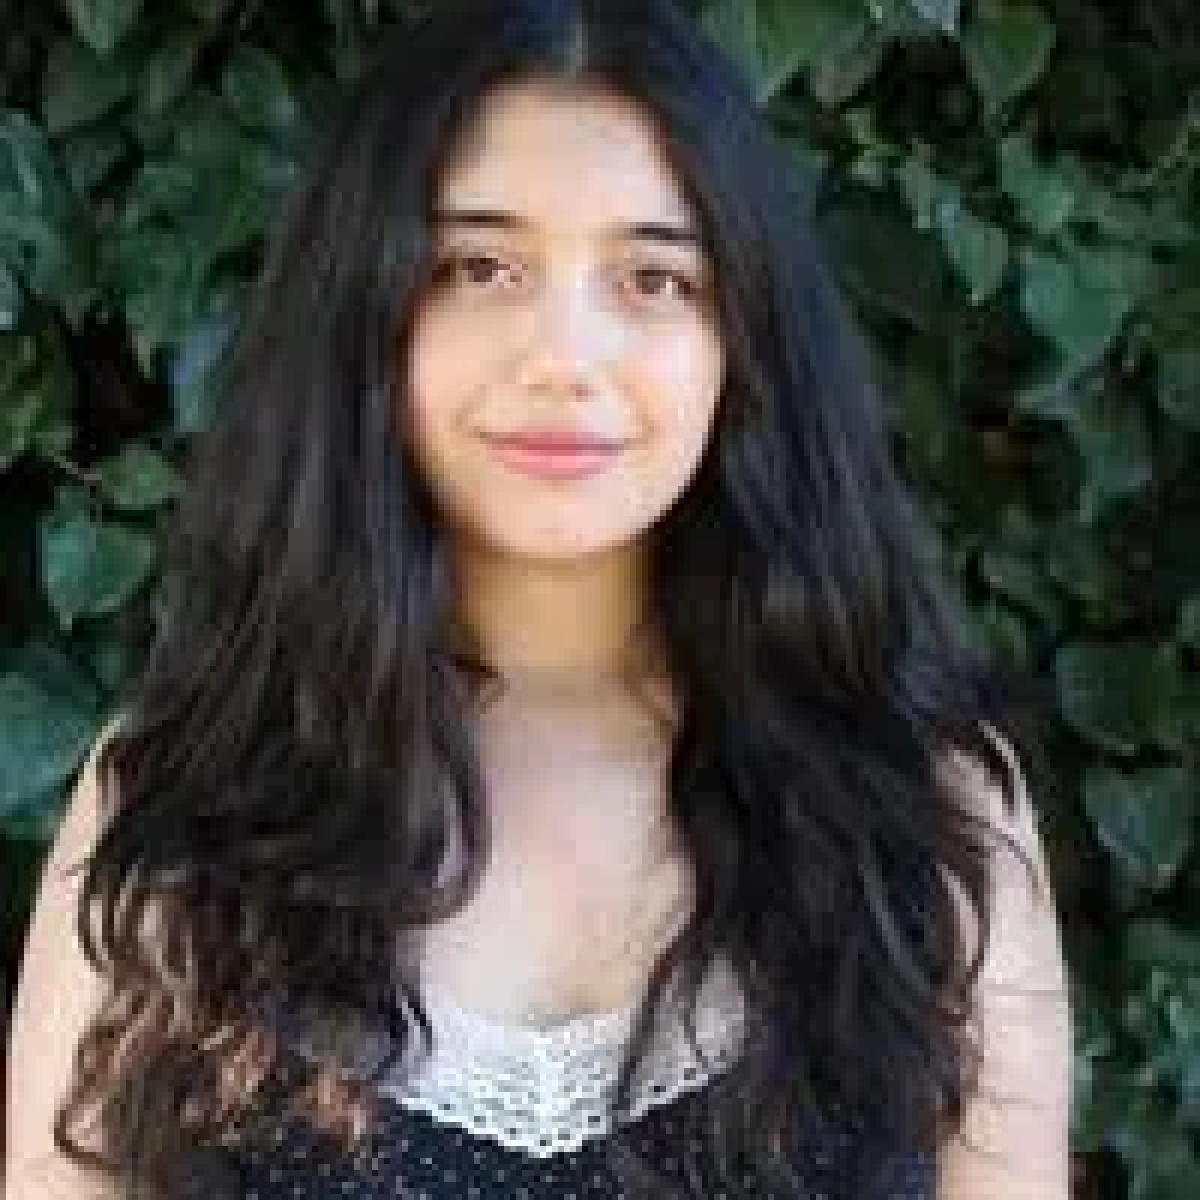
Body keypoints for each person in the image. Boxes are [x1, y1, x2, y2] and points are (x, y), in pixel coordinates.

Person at [6, 1, 1072, 1197]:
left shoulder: (928, 806)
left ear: (745, 343)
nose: (564, 354)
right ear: (365, 313)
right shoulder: (176, 801)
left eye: (654, 276)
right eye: (482, 267)